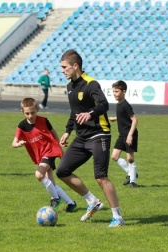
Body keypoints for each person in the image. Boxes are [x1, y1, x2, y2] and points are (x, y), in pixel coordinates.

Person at [56, 49, 124, 228]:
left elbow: (104, 104)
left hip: (99, 134)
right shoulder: (70, 86)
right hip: (81, 137)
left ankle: (117, 217)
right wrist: (67, 131)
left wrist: (90, 114)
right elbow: (74, 111)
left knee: (101, 177)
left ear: (75, 66)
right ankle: (92, 201)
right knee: (62, 171)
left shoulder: (91, 84)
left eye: (64, 67)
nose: (62, 70)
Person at [12, 98, 78, 212]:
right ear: (22, 112)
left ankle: (55, 198)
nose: (30, 116)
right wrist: (18, 144)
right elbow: (13, 142)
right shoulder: (22, 125)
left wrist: (59, 146)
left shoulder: (44, 121)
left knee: (39, 175)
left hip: (50, 151)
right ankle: (71, 203)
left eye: (32, 112)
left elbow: (53, 133)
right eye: (27, 113)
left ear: (37, 109)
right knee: (50, 182)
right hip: (40, 156)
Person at [108, 80, 139, 188]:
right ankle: (131, 173)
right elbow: (124, 117)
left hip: (130, 134)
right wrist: (115, 118)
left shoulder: (126, 105)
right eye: (113, 91)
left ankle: (133, 181)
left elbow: (135, 120)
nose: (114, 94)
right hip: (122, 135)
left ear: (124, 91)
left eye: (116, 91)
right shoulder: (119, 104)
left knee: (130, 158)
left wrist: (130, 135)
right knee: (114, 156)